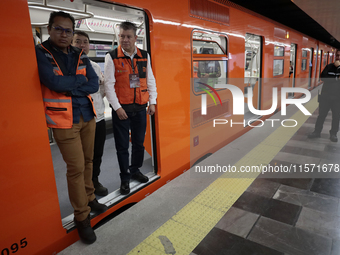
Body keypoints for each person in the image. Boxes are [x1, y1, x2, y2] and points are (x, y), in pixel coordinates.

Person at [35, 11, 107, 244]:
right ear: (49, 28)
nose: (64, 34)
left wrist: (70, 85)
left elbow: (93, 84)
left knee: (88, 162)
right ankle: (82, 217)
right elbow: (53, 83)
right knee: (75, 168)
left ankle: (90, 198)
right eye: (59, 29)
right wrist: (78, 82)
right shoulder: (41, 53)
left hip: (88, 116)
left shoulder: (80, 54)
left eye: (68, 30)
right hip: (64, 121)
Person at [104, 21, 157, 195]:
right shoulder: (112, 57)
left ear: (135, 37)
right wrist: (117, 108)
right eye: (122, 36)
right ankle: (125, 178)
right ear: (118, 37)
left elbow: (150, 80)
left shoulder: (144, 55)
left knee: (139, 144)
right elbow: (109, 86)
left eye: (128, 36)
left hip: (141, 108)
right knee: (122, 146)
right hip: (122, 110)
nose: (125, 40)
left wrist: (153, 101)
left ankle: (135, 170)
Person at [72, 31, 109, 196]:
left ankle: (94, 181)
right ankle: (83, 189)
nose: (81, 45)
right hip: (79, 119)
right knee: (80, 158)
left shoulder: (94, 66)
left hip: (98, 117)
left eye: (85, 42)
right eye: (77, 41)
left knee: (97, 154)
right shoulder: (66, 67)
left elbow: (101, 89)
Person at [308, 50, 340, 142]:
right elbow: (323, 77)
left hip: (338, 98)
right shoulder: (329, 66)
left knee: (336, 117)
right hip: (325, 96)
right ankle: (317, 132)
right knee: (321, 115)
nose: (338, 57)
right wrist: (336, 78)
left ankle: (333, 134)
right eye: (337, 55)